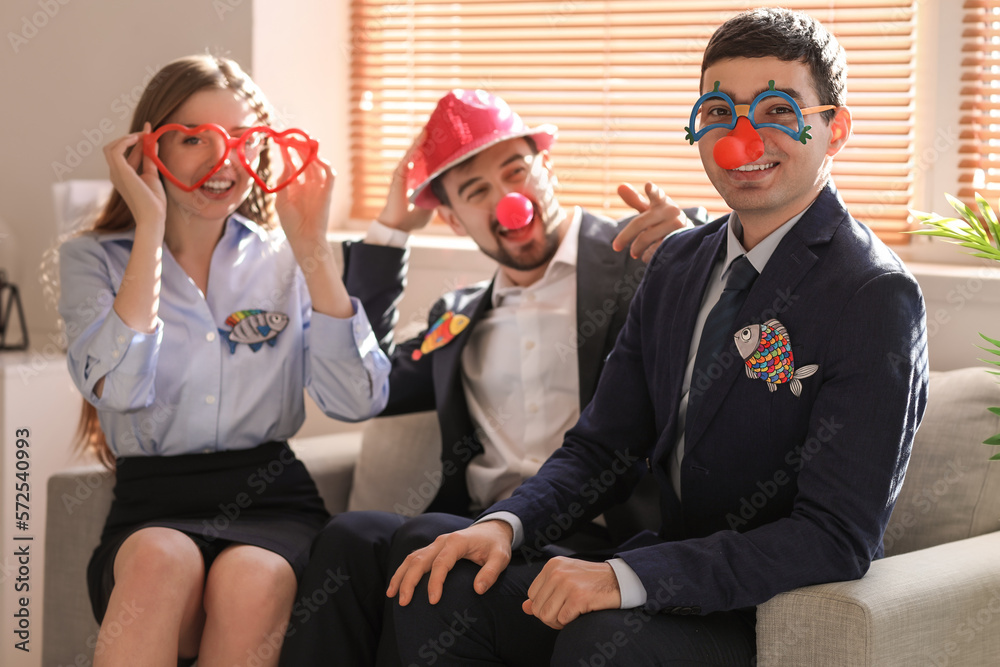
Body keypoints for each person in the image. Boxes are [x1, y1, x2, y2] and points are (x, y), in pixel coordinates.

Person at [386, 9, 929, 666]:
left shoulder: (873, 294)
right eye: (720, 112)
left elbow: (834, 534)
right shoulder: (677, 264)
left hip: (757, 606)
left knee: (599, 642)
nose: (741, 137)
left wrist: (625, 578)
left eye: (777, 109)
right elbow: (600, 449)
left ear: (833, 129)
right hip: (649, 574)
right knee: (436, 589)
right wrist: (506, 523)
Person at [278, 89, 703, 665]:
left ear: (546, 169)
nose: (508, 199)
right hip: (482, 529)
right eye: (477, 192)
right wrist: (389, 230)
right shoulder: (457, 316)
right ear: (452, 219)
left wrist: (695, 247)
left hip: (595, 538)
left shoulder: (642, 258)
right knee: (350, 537)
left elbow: (725, 314)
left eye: (517, 172)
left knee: (426, 539)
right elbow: (361, 390)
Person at [58, 55, 390, 666]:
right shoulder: (91, 260)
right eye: (193, 139)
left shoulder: (288, 258)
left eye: (242, 141)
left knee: (252, 580)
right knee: (161, 559)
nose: (224, 161)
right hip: (152, 503)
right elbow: (120, 390)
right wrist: (150, 228)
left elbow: (357, 401)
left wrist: (313, 249)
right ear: (148, 147)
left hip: (272, 497)